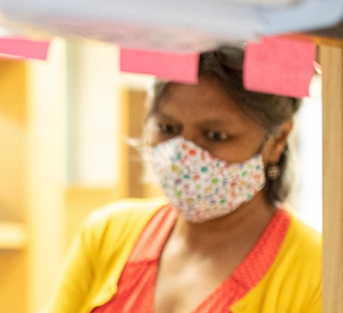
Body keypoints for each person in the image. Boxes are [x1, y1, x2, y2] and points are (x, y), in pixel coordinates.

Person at [48, 45, 320, 313]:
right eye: (168, 128)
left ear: (277, 140)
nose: (183, 155)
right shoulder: (106, 235)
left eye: (215, 135)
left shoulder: (318, 270)